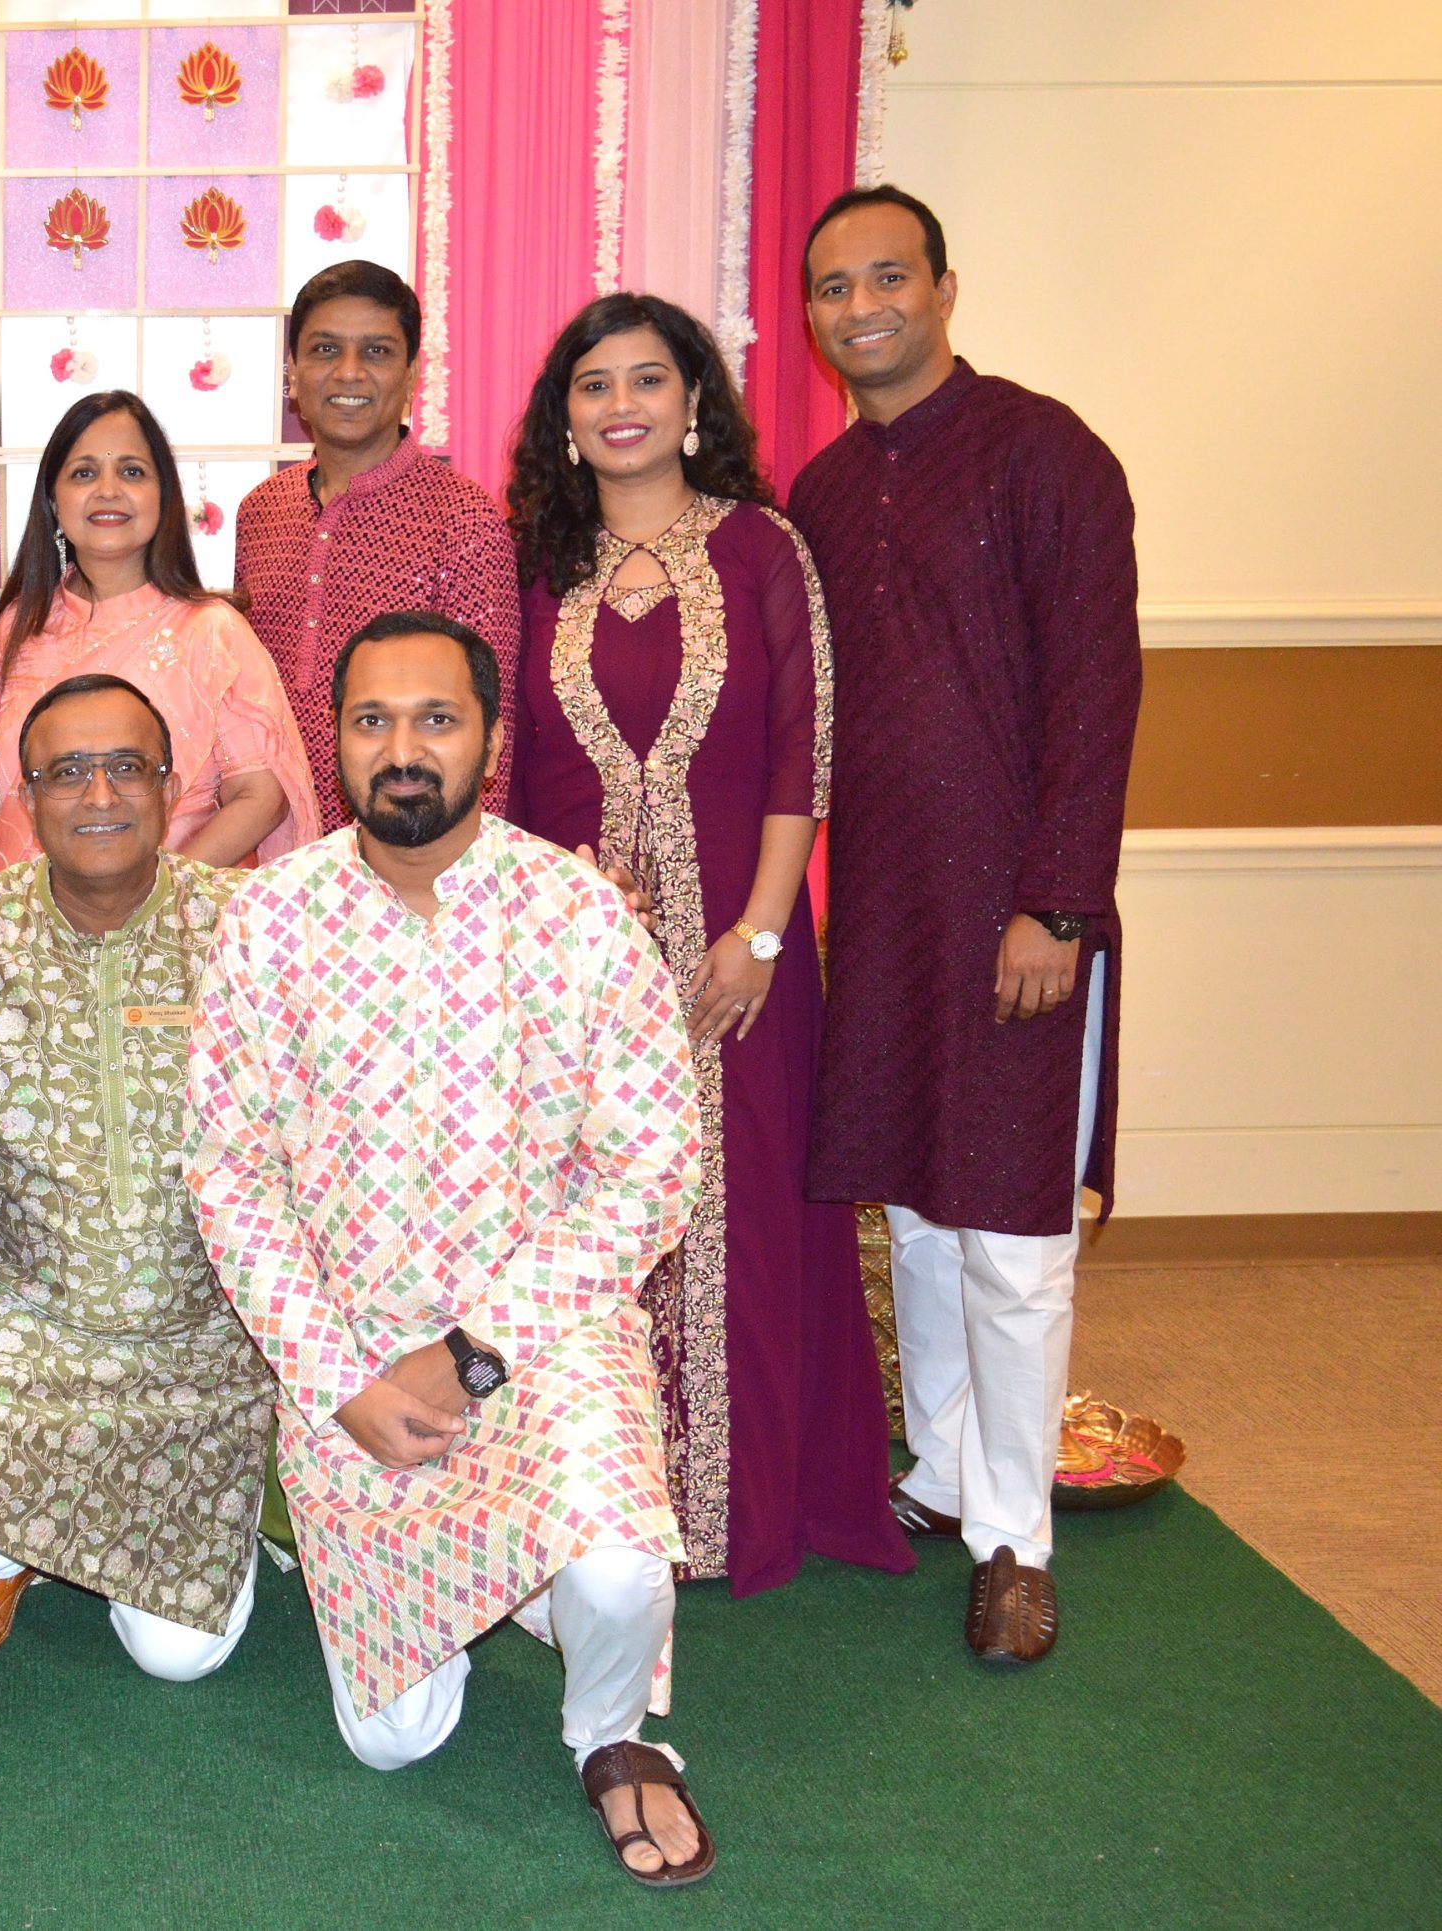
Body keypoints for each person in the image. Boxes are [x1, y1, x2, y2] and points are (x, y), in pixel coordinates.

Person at [187, 613, 715, 1889]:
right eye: (372, 720)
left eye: (436, 718)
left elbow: (653, 1169)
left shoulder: (578, 914)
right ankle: (499, 1580)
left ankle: (611, 1731)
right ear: (336, 738)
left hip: (539, 1341)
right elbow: (229, 1173)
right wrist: (340, 1385)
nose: (403, 749)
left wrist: (476, 1351)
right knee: (394, 1740)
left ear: (489, 736)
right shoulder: (270, 919)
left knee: (620, 1565)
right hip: (354, 1357)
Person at [503, 293, 911, 1598]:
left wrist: (763, 932)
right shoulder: (541, 565)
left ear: (692, 402)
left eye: (647, 378)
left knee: (744, 1210)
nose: (619, 404)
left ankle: (742, 1500)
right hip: (578, 957)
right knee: (587, 1209)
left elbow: (804, 753)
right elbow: (515, 767)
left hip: (741, 955)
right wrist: (556, 904)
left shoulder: (758, 548)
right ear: (564, 418)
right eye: (592, 384)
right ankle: (610, 1496)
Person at [789, 185, 1142, 1664]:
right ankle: (939, 1467)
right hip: (883, 907)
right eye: (833, 287)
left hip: (1019, 913)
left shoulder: (1047, 453)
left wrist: (1054, 901)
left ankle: (1015, 1537)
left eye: (888, 277)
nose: (861, 306)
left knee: (1008, 1225)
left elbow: (1097, 690)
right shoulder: (819, 490)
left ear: (944, 286)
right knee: (919, 1209)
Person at [0, 674, 278, 1675]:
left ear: (171, 787)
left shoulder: (255, 925)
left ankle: (52, 1526)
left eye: (126, 767)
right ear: (27, 798)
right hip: (19, 1320)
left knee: (179, 1657)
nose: (99, 795)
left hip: (205, 1345)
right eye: (67, 773)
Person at [233, 261, 520, 833]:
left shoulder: (463, 517)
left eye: (376, 352)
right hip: (273, 841)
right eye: (325, 350)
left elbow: (492, 721)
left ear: (411, 376)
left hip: (405, 841)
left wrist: (459, 869)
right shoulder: (260, 511)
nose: (349, 372)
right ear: (293, 372)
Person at [0, 393, 318, 871]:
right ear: (53, 502)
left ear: (163, 497)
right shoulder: (17, 628)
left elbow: (261, 797)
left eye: (132, 471)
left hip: (176, 909)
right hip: (26, 911)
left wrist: (152, 898)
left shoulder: (211, 632)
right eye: (84, 473)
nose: (108, 490)